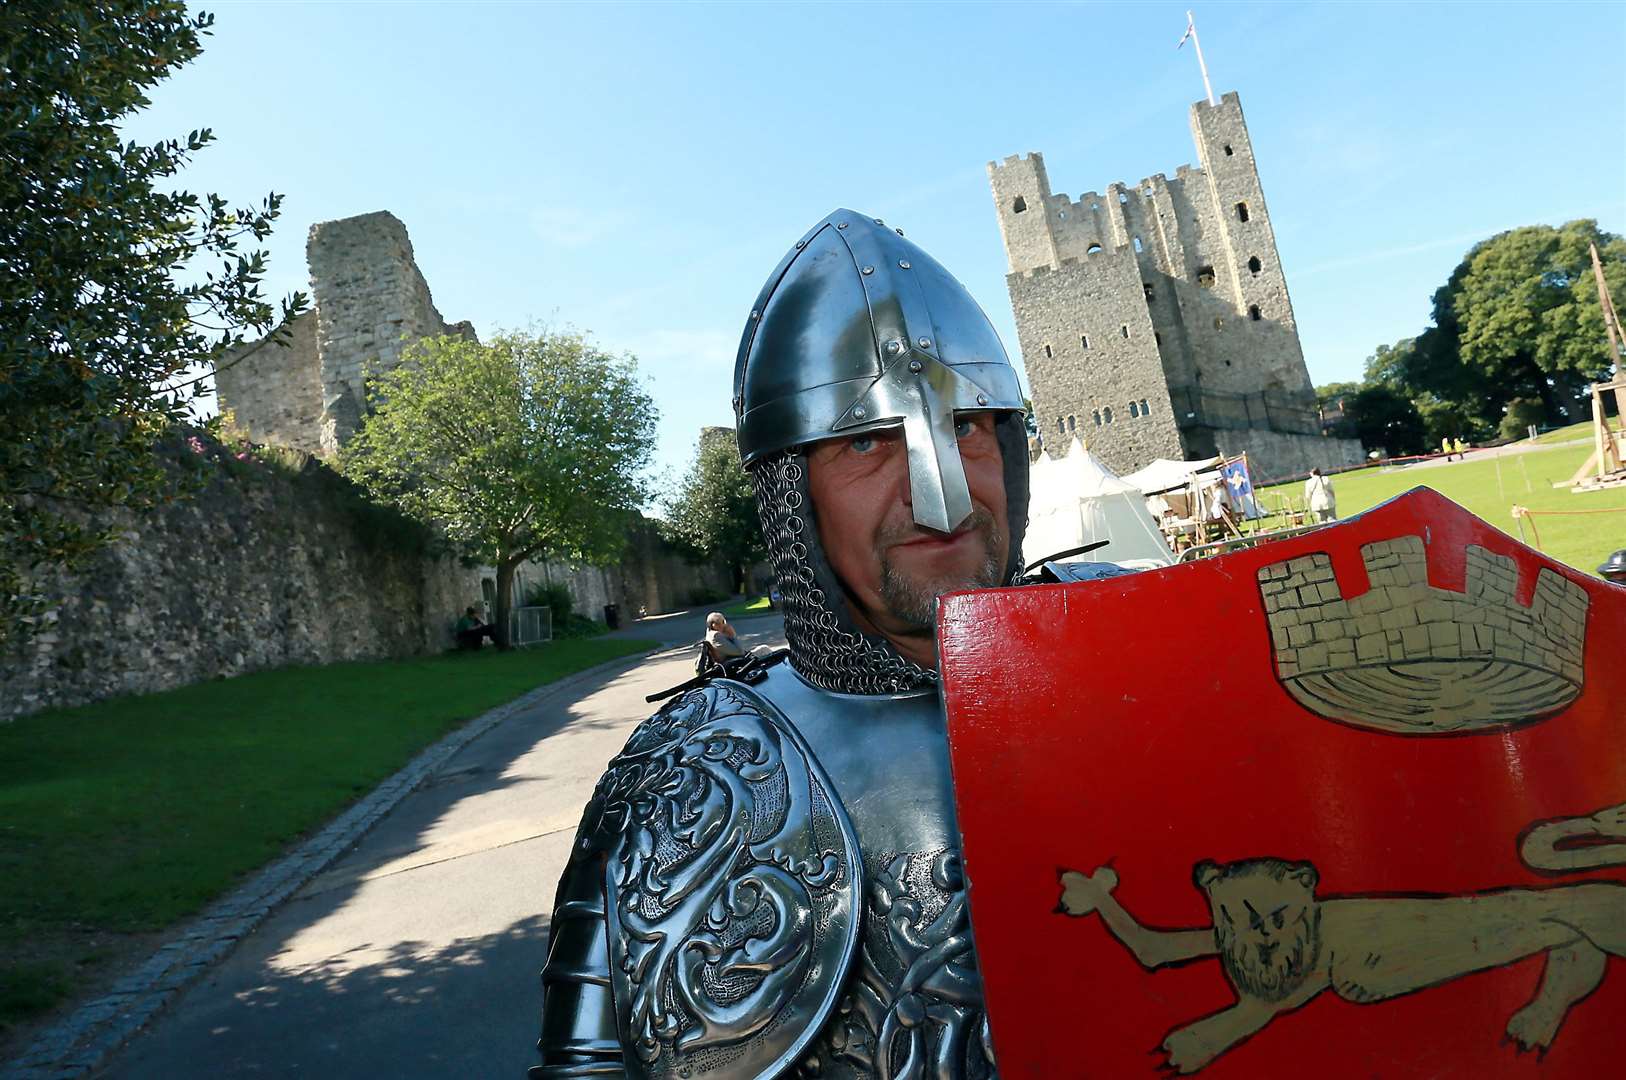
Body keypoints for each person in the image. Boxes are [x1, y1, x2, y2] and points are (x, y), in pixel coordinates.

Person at [533, 211, 1029, 1079]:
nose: (943, 500)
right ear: (793, 498)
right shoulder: (679, 779)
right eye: (867, 441)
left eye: (967, 426)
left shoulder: (1162, 650)